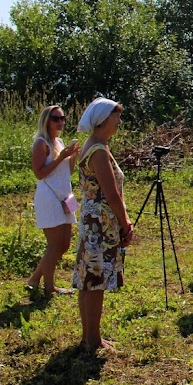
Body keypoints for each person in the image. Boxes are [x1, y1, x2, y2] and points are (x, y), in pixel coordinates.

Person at [73, 98, 132, 353]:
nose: (119, 122)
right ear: (103, 120)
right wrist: (125, 222)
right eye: (115, 116)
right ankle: (93, 339)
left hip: (93, 220)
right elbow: (110, 192)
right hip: (101, 222)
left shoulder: (95, 146)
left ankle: (88, 336)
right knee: (95, 281)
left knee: (89, 280)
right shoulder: (98, 151)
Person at [28, 105, 79, 297]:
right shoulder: (41, 143)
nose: (61, 122)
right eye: (56, 118)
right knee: (54, 243)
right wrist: (62, 157)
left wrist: (72, 156)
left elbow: (68, 171)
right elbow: (39, 174)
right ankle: (49, 286)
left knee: (64, 244)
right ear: (46, 121)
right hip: (49, 196)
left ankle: (35, 278)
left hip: (65, 195)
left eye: (63, 118)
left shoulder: (59, 142)